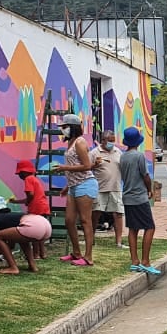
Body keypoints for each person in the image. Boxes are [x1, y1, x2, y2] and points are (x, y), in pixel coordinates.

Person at [53, 114, 101, 266]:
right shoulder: (71, 142)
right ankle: (76, 252)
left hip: (85, 184)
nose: (63, 130)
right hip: (74, 186)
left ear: (72, 127)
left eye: (65, 127)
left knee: (86, 220)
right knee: (69, 220)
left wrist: (65, 168)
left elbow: (87, 166)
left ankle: (88, 257)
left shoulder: (80, 142)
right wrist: (67, 186)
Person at [0, 195, 52, 275]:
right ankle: (33, 266)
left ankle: (13, 267)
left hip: (33, 227)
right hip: (45, 225)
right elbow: (10, 246)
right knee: (22, 239)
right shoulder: (12, 217)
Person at [119, 128, 160, 275]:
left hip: (127, 196)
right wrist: (150, 190)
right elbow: (145, 176)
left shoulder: (123, 157)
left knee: (133, 228)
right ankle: (145, 261)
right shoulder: (139, 156)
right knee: (150, 227)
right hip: (139, 197)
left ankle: (134, 260)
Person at [9, 159, 49, 261]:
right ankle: (42, 253)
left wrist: (28, 202)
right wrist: (15, 202)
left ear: (24, 172)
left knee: (35, 233)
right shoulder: (34, 179)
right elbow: (29, 198)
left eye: (20, 173)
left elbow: (30, 195)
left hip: (36, 208)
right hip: (43, 207)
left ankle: (35, 254)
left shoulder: (28, 179)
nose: (19, 176)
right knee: (41, 232)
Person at [94, 130, 126, 249]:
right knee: (95, 214)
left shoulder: (118, 152)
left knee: (118, 214)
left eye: (113, 140)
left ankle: (118, 242)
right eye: (109, 141)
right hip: (99, 188)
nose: (112, 143)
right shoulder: (94, 153)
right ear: (103, 140)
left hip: (116, 188)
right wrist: (95, 165)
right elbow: (87, 168)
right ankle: (91, 239)